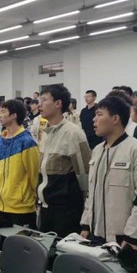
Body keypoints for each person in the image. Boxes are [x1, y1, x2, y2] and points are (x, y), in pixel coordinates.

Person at [80, 96, 137, 246]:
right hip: (96, 234)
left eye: (99, 114)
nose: (94, 120)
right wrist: (86, 224)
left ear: (115, 118)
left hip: (126, 239)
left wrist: (132, 236)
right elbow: (91, 192)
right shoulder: (97, 150)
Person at [38, 86, 92, 237]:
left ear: (58, 103)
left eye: (44, 100)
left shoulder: (73, 133)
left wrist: (86, 218)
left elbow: (85, 177)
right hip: (45, 207)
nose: (39, 105)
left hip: (65, 211)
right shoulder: (45, 132)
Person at [0, 100, 40, 228]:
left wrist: (28, 197)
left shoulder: (27, 142)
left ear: (14, 115)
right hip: (0, 204)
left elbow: (34, 176)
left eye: (3, 111)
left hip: (21, 207)